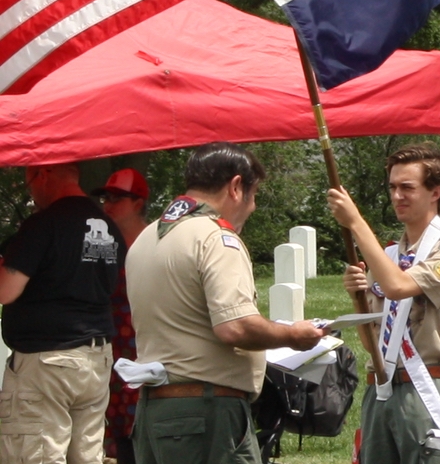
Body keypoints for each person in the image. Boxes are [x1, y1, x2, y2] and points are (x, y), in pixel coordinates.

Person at [125, 143, 325, 464]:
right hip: (207, 415)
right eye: (253, 193)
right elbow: (235, 327)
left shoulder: (148, 237)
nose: (254, 206)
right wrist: (293, 336)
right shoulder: (216, 237)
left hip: (155, 412)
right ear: (235, 187)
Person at [330, 143, 440, 464]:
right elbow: (372, 342)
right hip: (380, 389)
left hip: (424, 388)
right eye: (393, 187)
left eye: (408, 187)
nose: (397, 196)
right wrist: (358, 299)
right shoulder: (389, 256)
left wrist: (355, 223)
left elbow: (398, 287)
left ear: (435, 192)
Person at [0, 162, 126, 464]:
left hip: (47, 359)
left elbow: (6, 290)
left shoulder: (44, 224)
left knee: (36, 455)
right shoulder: (107, 226)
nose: (31, 191)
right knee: (87, 456)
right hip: (96, 359)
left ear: (43, 174)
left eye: (29, 180)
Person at [99, 168, 152, 464]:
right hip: (112, 346)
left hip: (145, 345)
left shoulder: (155, 242)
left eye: (117, 198)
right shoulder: (103, 246)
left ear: (138, 203)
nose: (108, 204)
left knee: (141, 430)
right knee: (113, 432)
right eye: (106, 197)